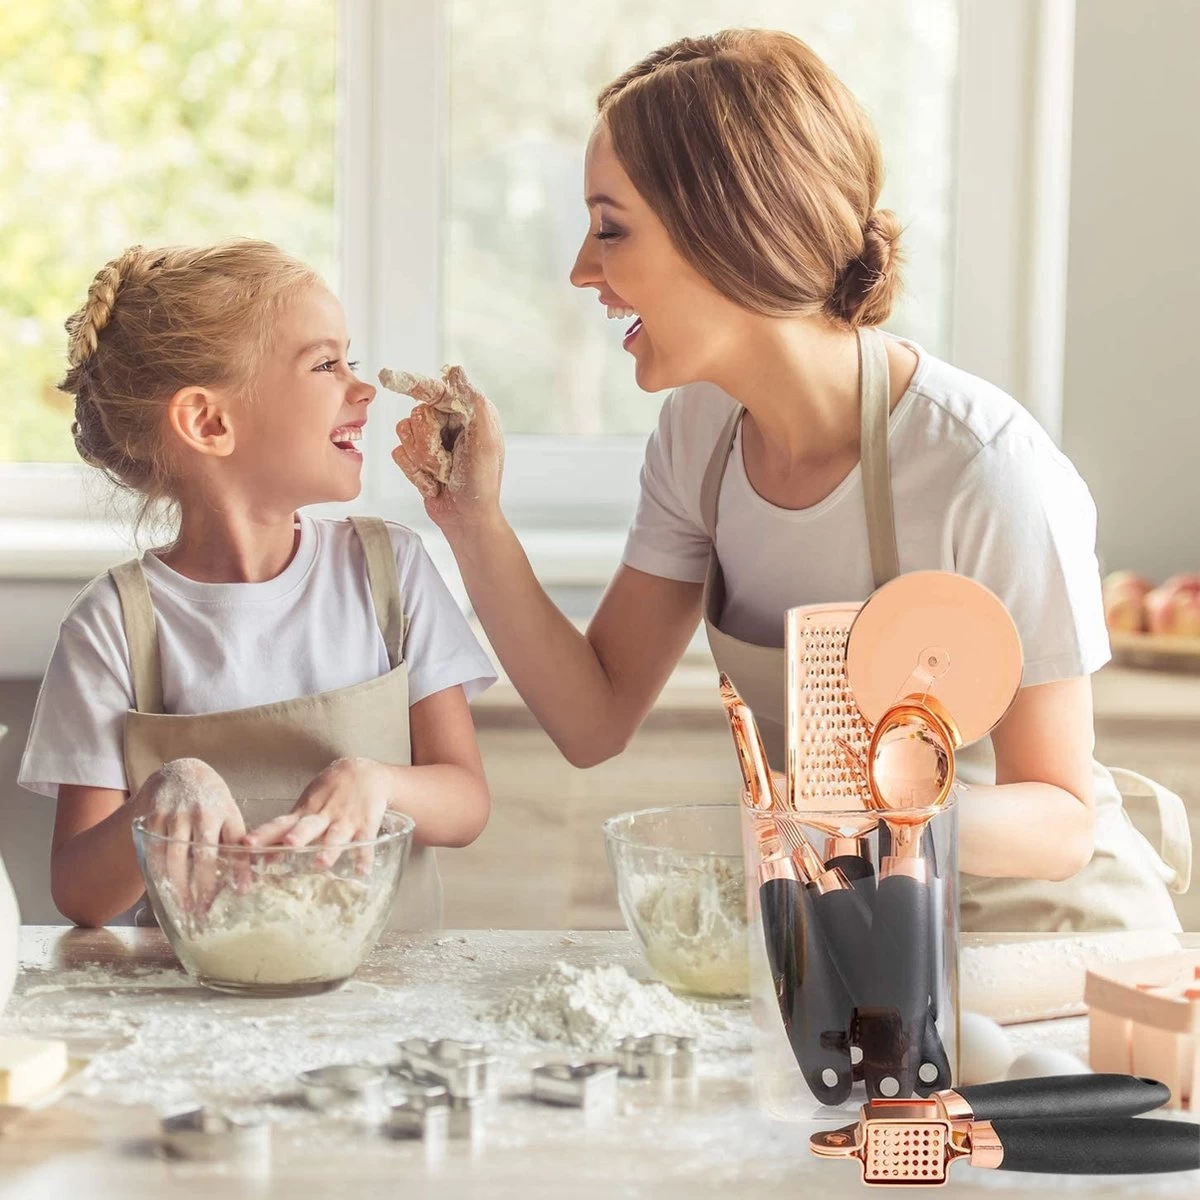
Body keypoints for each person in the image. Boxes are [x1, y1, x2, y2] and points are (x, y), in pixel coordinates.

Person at [389, 30, 1188, 932]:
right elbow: (593, 718)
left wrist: (862, 806)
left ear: (732, 234)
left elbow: (1061, 823)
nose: (583, 270)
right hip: (862, 936)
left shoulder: (982, 471)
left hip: (1040, 948)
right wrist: (473, 521)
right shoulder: (701, 435)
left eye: (611, 228)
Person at [19, 240, 495, 929]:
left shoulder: (389, 569)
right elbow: (80, 893)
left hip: (388, 1001)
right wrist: (159, 797)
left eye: (349, 360)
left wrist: (378, 782)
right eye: (326, 364)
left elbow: (467, 804)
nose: (362, 390)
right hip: (198, 1010)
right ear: (209, 422)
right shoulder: (114, 623)